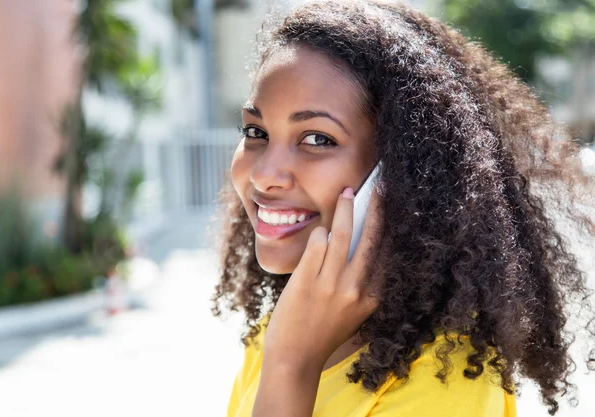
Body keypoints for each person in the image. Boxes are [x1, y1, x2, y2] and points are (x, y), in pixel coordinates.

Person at [211, 1, 595, 416]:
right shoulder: (286, 325)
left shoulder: (446, 388)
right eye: (256, 131)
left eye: (317, 139)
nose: (264, 175)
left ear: (403, 174)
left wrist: (291, 368)